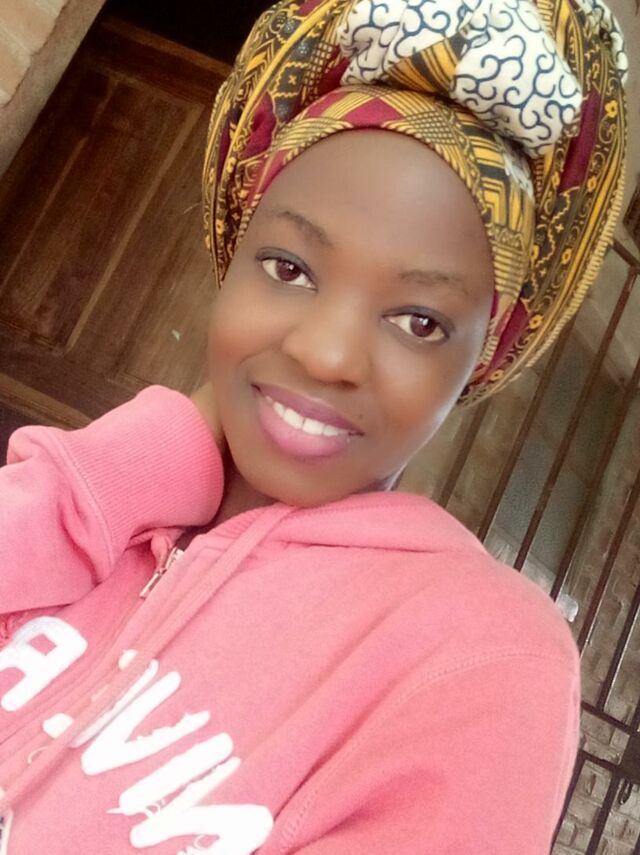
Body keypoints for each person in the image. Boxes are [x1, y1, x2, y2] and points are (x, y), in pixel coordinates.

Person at [0, 0, 628, 852]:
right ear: (231, 260)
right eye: (289, 268)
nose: (327, 352)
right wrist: (139, 460)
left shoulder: (481, 656)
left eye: (419, 321)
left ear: (481, 362)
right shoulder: (86, 503)